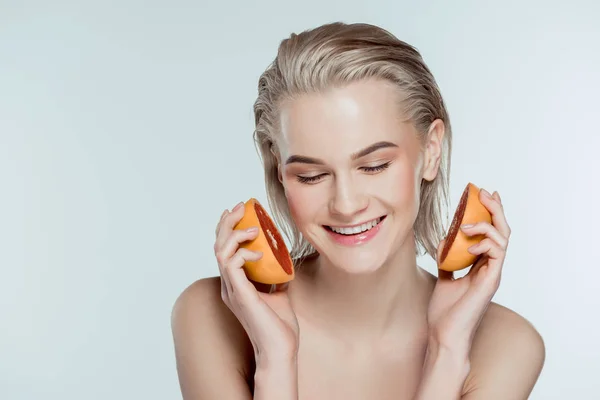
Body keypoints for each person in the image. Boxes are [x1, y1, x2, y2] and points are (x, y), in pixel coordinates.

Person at [170, 22, 545, 399]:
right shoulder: (210, 316)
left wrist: (447, 353)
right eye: (312, 175)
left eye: (374, 166)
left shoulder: (507, 343)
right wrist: (275, 359)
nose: (347, 205)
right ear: (279, 170)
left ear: (430, 151)